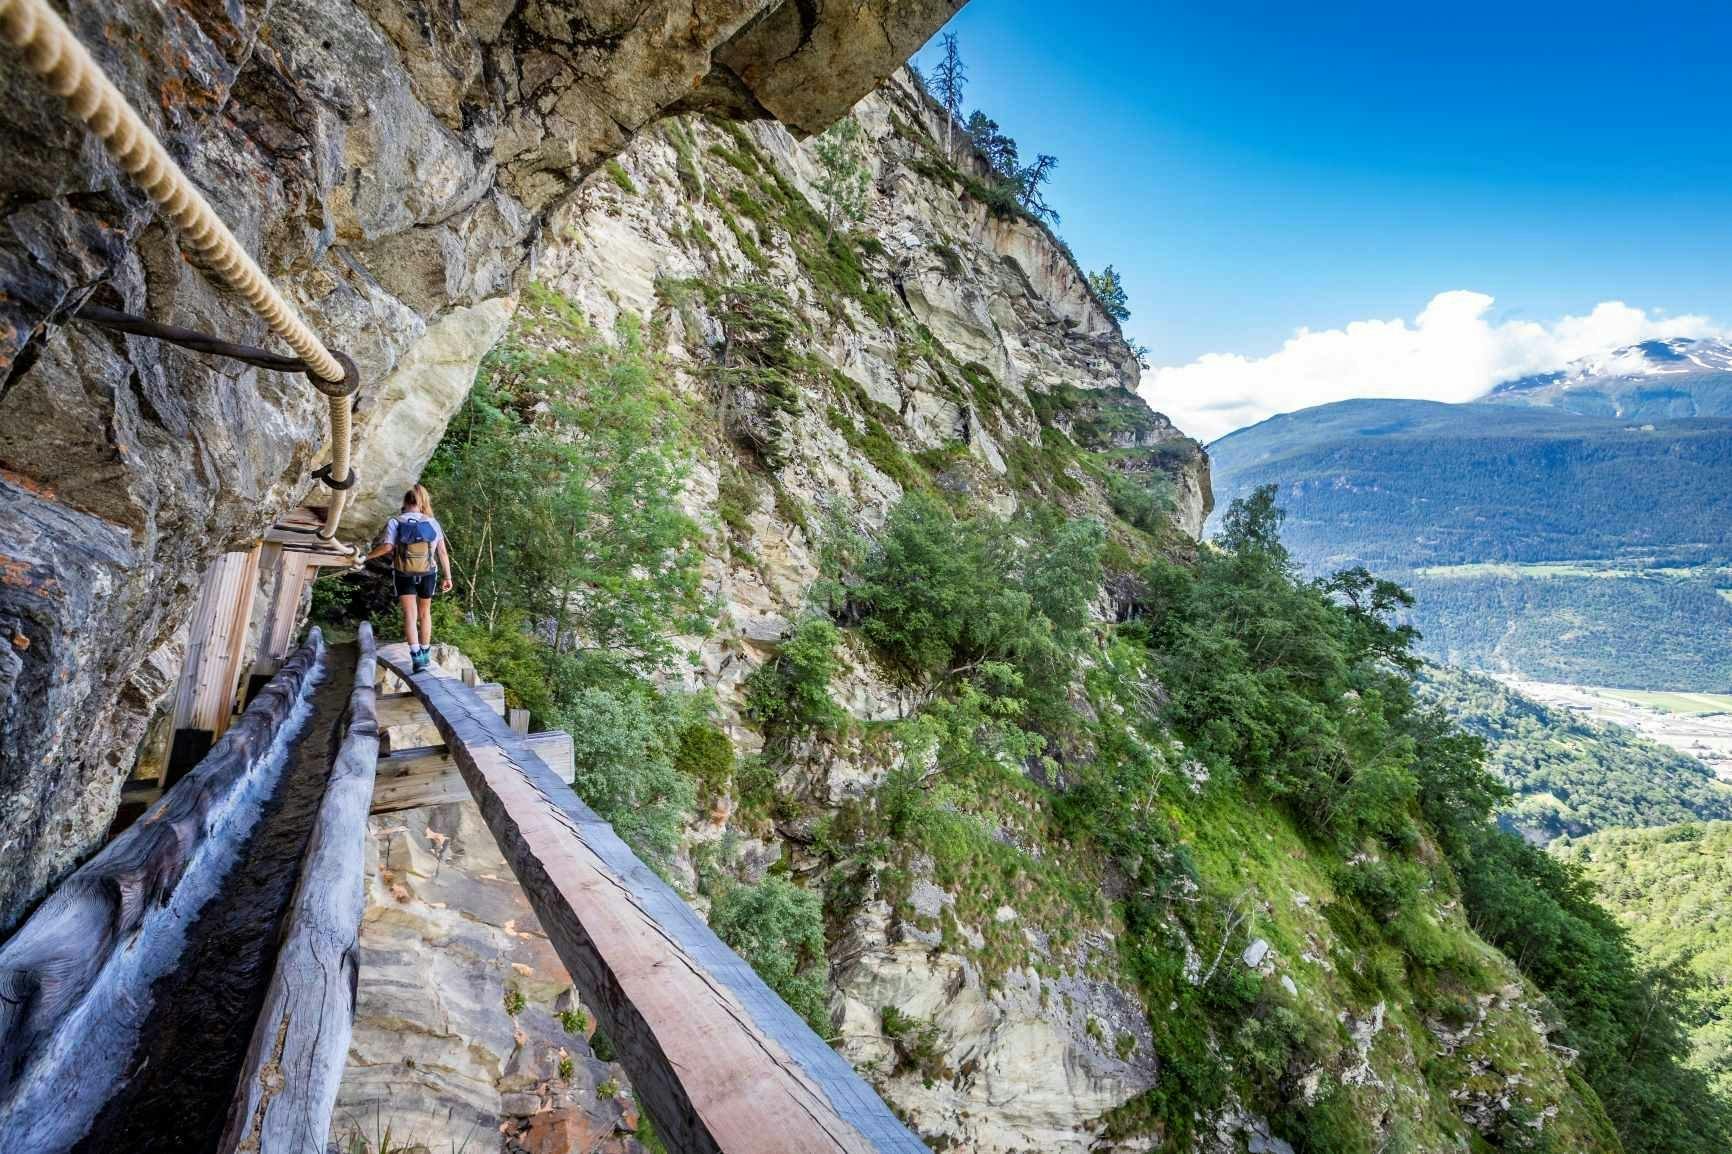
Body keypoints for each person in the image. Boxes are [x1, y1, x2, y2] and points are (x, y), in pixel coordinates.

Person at [367, 484, 453, 673]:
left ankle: (416, 658)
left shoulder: (396, 522)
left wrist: (367, 556)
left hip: (403, 573)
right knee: (425, 613)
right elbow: (443, 552)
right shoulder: (432, 523)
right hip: (428, 573)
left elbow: (388, 548)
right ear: (421, 502)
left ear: (405, 502)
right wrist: (448, 576)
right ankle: (425, 654)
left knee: (410, 614)